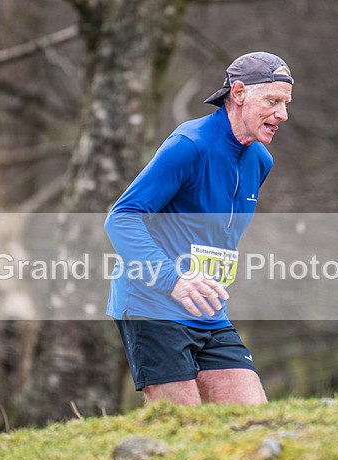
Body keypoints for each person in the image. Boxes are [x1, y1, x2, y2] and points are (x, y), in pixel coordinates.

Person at [104, 52, 293, 405]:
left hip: (208, 310)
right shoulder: (189, 145)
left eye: (285, 104)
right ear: (238, 93)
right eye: (272, 101)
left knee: (253, 418)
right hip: (153, 303)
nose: (282, 114)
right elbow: (122, 217)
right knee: (182, 424)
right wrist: (173, 279)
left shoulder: (260, 160)